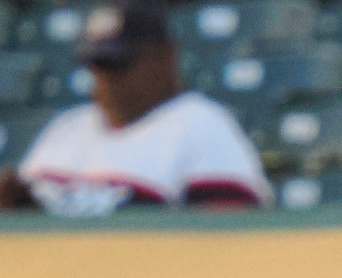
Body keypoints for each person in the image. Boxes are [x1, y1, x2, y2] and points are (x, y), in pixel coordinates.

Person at [0, 0, 270, 216]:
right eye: (98, 64)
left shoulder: (201, 125)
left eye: (119, 64)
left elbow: (229, 247)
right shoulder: (67, 128)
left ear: (165, 58)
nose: (106, 79)